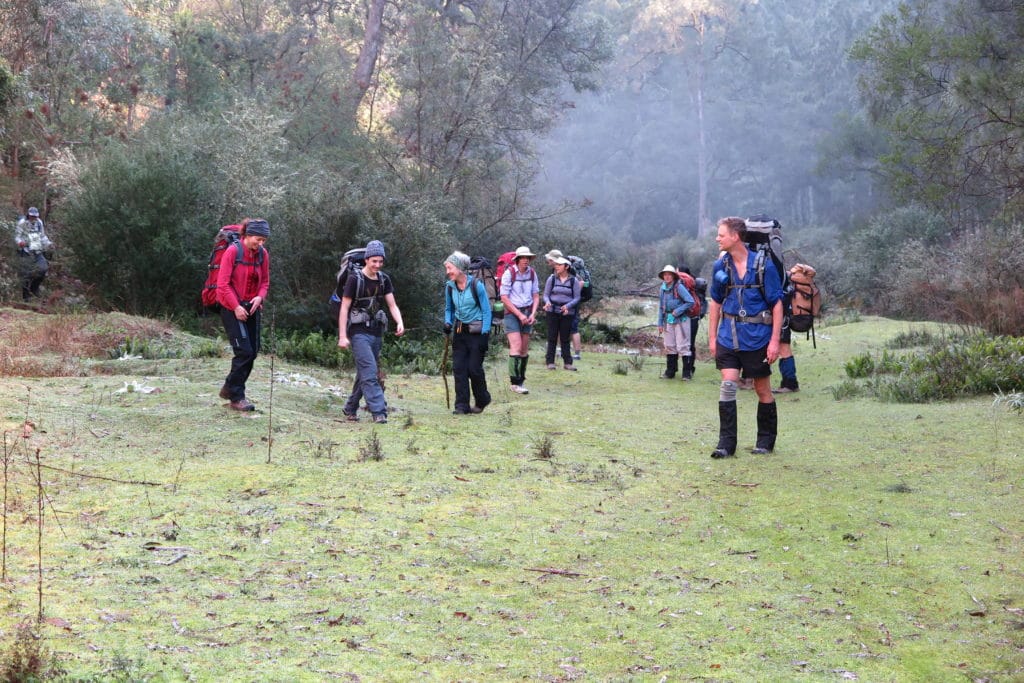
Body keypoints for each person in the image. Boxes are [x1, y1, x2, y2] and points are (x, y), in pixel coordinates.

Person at [707, 216, 784, 458]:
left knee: (762, 390)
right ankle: (726, 445)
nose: (717, 238)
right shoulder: (720, 267)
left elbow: (777, 305)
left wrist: (774, 342)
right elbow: (715, 304)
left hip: (758, 338)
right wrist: (712, 339)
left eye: (721, 234)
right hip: (728, 337)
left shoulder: (764, 267)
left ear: (735, 236)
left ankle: (765, 441)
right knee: (728, 386)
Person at [337, 240, 405, 424]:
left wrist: (399, 322)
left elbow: (392, 304)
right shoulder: (354, 279)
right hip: (358, 332)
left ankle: (350, 408)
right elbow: (344, 308)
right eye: (374, 261)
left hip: (376, 332)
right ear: (366, 259)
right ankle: (378, 411)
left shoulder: (384, 279)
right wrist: (343, 336)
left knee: (364, 372)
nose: (377, 265)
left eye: (380, 261)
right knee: (370, 371)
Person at [217, 218, 271, 412]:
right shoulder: (233, 251)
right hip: (231, 307)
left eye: (264, 240)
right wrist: (236, 307)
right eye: (258, 239)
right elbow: (222, 285)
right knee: (244, 352)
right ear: (247, 235)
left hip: (252, 307)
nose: (261, 243)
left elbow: (265, 282)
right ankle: (237, 397)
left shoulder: (263, 255)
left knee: (253, 351)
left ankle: (229, 386)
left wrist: (260, 297)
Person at [443, 251, 493, 415]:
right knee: (459, 368)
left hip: (477, 333)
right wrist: (447, 322)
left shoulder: (476, 285)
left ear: (458, 268)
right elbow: (449, 309)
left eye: (449, 268)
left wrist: (485, 334)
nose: (447, 272)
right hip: (459, 332)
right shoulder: (450, 287)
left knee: (474, 369)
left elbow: (486, 311)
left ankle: (482, 399)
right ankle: (462, 405)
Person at [499, 246, 540, 395]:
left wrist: (533, 314)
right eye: (523, 258)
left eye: (528, 258)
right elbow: (504, 297)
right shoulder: (508, 274)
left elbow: (536, 295)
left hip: (527, 312)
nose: (525, 260)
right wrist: (519, 315)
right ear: (517, 259)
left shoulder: (533, 274)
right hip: (512, 313)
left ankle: (521, 380)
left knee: (524, 348)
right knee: (515, 345)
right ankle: (514, 383)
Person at [656, 265, 694, 379]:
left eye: (669, 274)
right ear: (663, 276)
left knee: (683, 346)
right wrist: (660, 323)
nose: (667, 277)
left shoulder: (679, 287)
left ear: (673, 276)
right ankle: (670, 372)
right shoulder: (662, 289)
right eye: (665, 274)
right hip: (668, 319)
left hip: (681, 320)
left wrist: (677, 311)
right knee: (669, 345)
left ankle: (686, 374)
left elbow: (690, 301)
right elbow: (661, 307)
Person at [543, 256, 581, 371]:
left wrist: (567, 306)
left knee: (565, 338)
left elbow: (577, 298)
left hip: (567, 313)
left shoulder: (574, 280)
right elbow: (546, 295)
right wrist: (548, 302)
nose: (556, 267)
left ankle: (568, 363)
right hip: (552, 311)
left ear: (567, 267)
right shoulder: (552, 279)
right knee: (552, 337)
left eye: (559, 265)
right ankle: (550, 362)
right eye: (556, 265)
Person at [14, 207, 53, 301]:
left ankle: (34, 288)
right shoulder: (22, 223)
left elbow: (42, 236)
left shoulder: (39, 223)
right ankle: (26, 297)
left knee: (43, 269)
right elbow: (17, 236)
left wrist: (49, 244)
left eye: (35, 216)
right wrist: (20, 243)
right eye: (32, 216)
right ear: (28, 215)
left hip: (37, 250)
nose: (33, 218)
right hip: (25, 251)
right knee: (25, 274)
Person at [678, 265, 707, 380]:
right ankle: (689, 369)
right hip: (694, 318)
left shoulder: (683, 284)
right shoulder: (695, 284)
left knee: (682, 344)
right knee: (690, 344)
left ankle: (682, 370)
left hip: (682, 317)